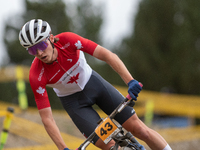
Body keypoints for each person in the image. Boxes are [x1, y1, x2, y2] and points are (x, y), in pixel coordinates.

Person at [19, 19, 172, 150]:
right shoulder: (36, 74)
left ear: (51, 38)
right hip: (75, 104)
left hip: (95, 85)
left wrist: (130, 81)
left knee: (141, 130)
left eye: (40, 45)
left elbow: (107, 55)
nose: (39, 53)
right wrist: (62, 147)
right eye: (32, 50)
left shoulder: (68, 40)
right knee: (111, 146)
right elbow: (47, 118)